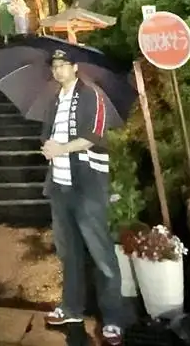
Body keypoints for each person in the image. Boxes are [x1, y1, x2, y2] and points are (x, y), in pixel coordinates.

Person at [39, 47, 125, 345]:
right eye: (55, 65)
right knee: (69, 253)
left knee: (101, 254)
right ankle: (72, 309)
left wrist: (61, 148)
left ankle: (114, 318)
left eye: (64, 65)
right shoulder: (53, 101)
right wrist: (48, 147)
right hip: (60, 187)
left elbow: (96, 134)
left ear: (75, 68)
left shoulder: (91, 95)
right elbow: (46, 135)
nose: (58, 69)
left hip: (87, 187)